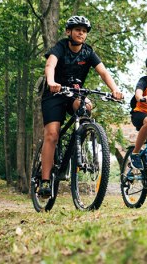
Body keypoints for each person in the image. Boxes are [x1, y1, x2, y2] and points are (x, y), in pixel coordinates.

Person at [39, 15, 123, 197]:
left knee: (87, 106)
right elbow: (50, 64)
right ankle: (45, 181)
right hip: (54, 94)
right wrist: (51, 81)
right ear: (68, 32)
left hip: (74, 94)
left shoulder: (88, 52)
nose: (81, 33)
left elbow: (103, 72)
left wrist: (115, 90)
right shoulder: (61, 47)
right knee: (52, 134)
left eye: (84, 31)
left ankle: (81, 140)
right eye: (77, 30)